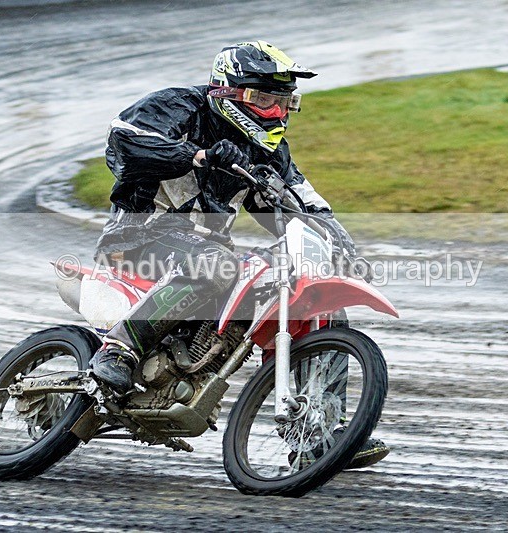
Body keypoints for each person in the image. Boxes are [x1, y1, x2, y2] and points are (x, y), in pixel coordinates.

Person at [90, 40, 389, 469]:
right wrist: (197, 156)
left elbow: (301, 202)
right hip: (140, 237)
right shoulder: (180, 106)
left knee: (316, 305)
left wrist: (342, 245)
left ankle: (318, 433)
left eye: (282, 100)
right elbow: (124, 142)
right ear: (229, 91)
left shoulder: (266, 149)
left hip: (208, 250)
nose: (274, 110)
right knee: (218, 262)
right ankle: (118, 349)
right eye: (262, 98)